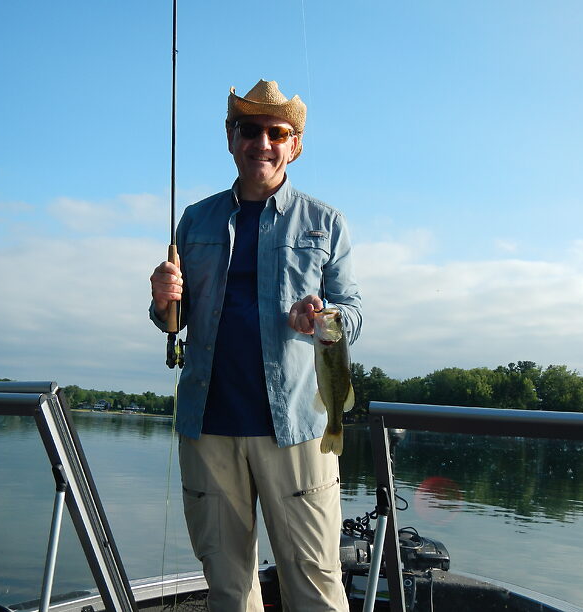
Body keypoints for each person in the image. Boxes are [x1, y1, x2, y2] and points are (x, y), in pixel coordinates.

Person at [149, 79, 361, 612]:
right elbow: (174, 320)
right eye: (249, 129)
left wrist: (324, 318)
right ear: (230, 137)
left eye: (276, 131)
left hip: (298, 430)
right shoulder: (194, 219)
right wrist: (161, 303)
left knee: (315, 586)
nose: (261, 142)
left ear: (295, 145)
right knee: (227, 588)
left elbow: (353, 312)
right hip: (208, 427)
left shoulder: (326, 223)